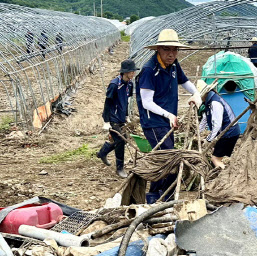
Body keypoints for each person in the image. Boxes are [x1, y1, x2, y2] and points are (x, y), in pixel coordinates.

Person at [135, 29, 202, 203]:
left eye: (174, 50)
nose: (171, 54)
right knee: (169, 159)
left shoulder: (173, 65)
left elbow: (185, 81)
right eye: (166, 50)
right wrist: (169, 115)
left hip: (168, 120)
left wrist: (196, 93)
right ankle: (165, 198)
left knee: (162, 160)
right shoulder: (149, 70)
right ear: (158, 50)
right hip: (154, 121)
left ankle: (156, 196)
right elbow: (146, 102)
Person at [97, 59, 139, 178]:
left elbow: (127, 101)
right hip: (112, 118)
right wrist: (106, 121)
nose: (133, 74)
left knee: (122, 139)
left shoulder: (130, 84)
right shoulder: (114, 85)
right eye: (131, 72)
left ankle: (103, 152)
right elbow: (107, 103)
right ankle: (120, 168)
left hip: (121, 117)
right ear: (125, 72)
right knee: (121, 140)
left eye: (133, 71)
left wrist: (126, 116)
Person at [198, 80, 240, 169]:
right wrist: (198, 132)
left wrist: (208, 140)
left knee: (215, 159)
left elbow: (217, 125)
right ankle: (224, 169)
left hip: (229, 133)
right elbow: (204, 120)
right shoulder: (209, 102)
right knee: (216, 152)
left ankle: (224, 176)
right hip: (228, 132)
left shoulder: (214, 103)